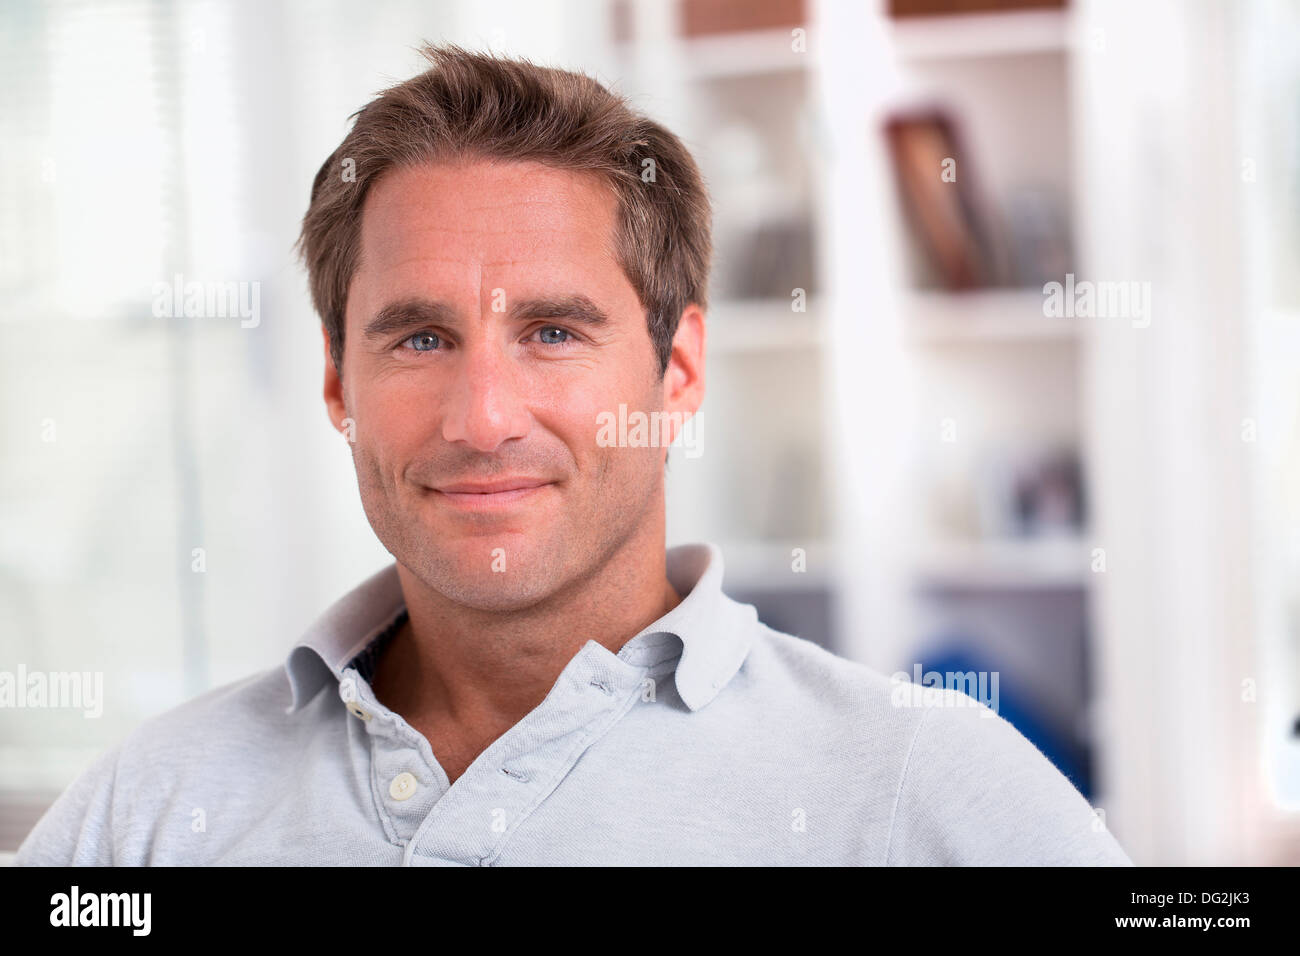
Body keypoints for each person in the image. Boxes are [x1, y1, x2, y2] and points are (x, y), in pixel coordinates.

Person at [16, 43, 1132, 866]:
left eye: (552, 331)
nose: (482, 416)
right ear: (335, 381)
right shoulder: (146, 813)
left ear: (677, 372)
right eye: (419, 336)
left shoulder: (922, 789)